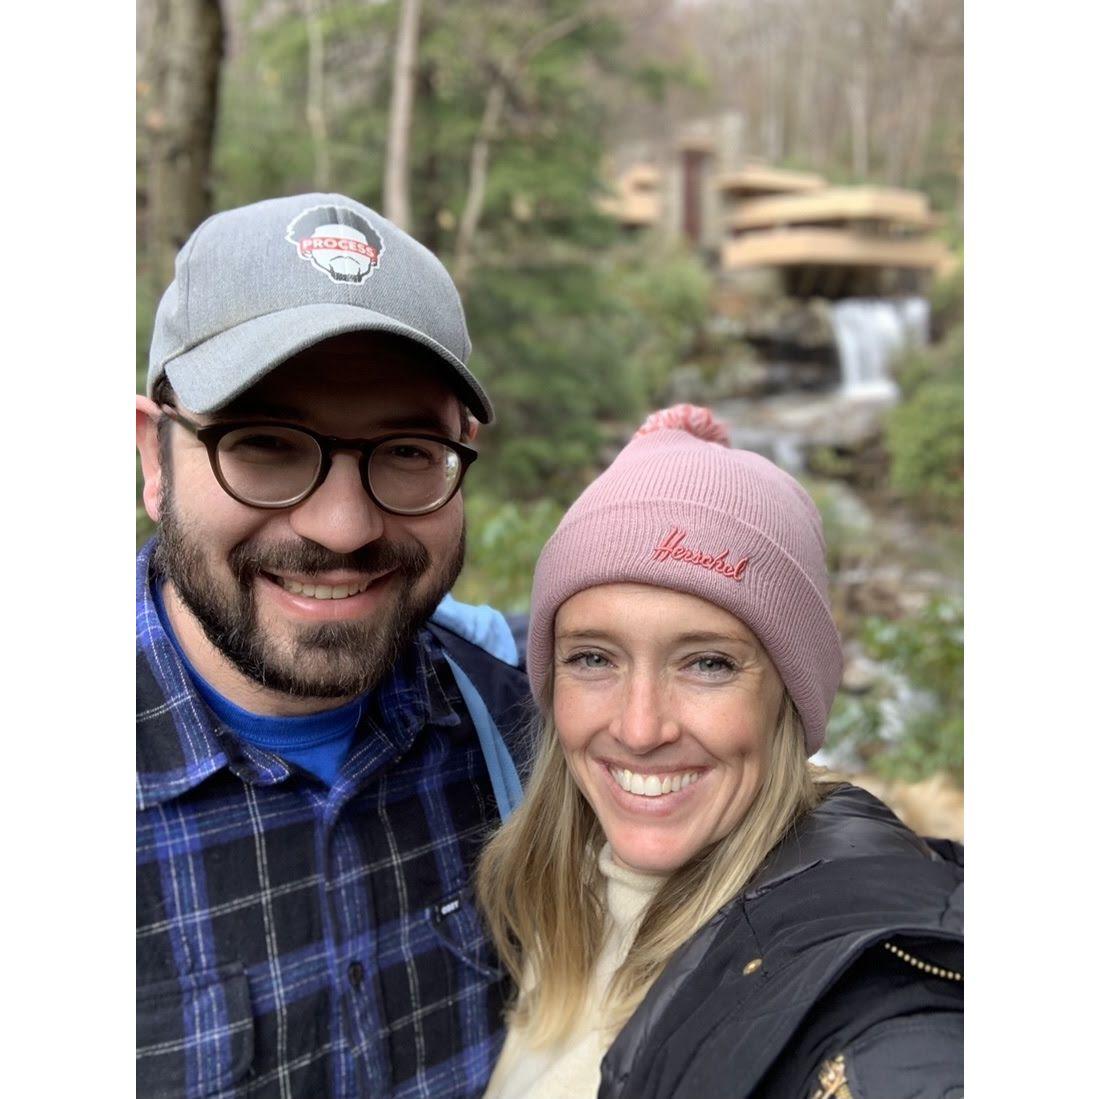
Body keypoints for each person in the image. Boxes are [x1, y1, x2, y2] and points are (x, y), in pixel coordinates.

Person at [136, 193, 530, 1099]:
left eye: (402, 451)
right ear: (155, 459)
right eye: (266, 443)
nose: (345, 527)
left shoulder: (519, 728)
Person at [477, 405, 963, 1099]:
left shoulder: (870, 983)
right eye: (592, 657)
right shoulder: (544, 900)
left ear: (789, 698)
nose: (641, 728)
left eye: (706, 663)